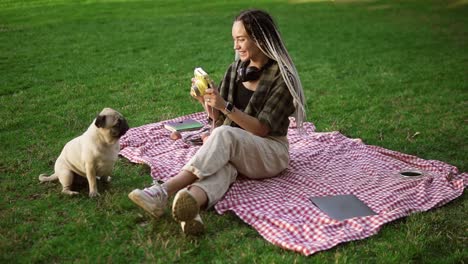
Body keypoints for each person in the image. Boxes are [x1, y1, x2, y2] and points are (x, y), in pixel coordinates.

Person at [128, 9, 306, 235]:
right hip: (238, 146)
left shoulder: (282, 77)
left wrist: (225, 106)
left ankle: (163, 191)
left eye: (241, 39)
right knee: (223, 165)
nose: (236, 46)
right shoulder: (236, 71)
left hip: (270, 150)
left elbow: (261, 129)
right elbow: (218, 119)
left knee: (223, 136)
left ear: (260, 40)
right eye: (234, 40)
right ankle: (191, 205)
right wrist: (207, 100)